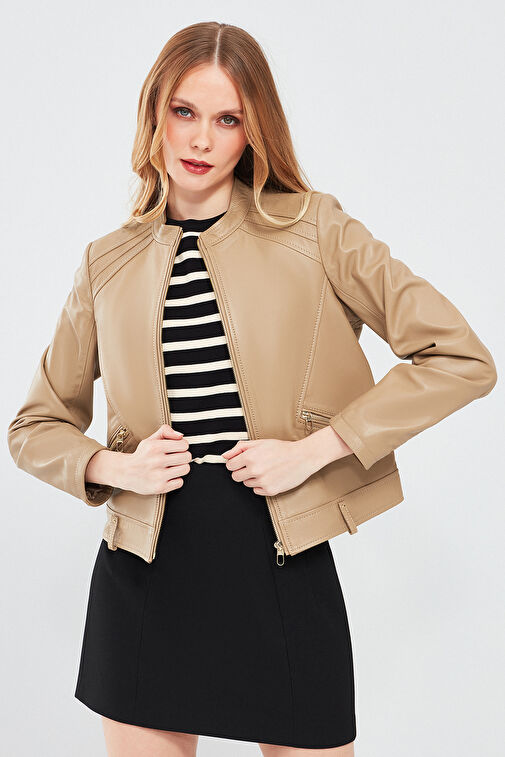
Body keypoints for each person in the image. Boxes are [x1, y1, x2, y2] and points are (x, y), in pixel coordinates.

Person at [7, 21, 497, 757]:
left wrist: (317, 449)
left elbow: (459, 357)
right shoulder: (105, 263)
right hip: (145, 573)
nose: (201, 139)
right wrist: (117, 467)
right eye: (184, 111)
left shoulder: (316, 229)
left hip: (280, 559)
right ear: (154, 113)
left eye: (228, 119)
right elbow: (34, 426)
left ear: (253, 131)